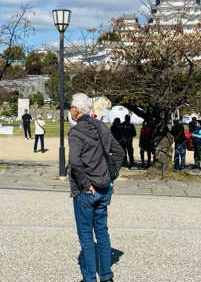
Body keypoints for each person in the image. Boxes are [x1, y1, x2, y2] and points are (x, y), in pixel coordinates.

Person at [67, 93, 123, 282]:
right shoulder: (102, 127)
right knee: (102, 231)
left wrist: (84, 184)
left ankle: (89, 278)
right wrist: (110, 178)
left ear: (76, 110)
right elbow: (118, 152)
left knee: (86, 235)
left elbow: (74, 162)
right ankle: (106, 276)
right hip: (103, 188)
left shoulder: (76, 132)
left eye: (70, 107)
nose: (70, 110)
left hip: (87, 190)